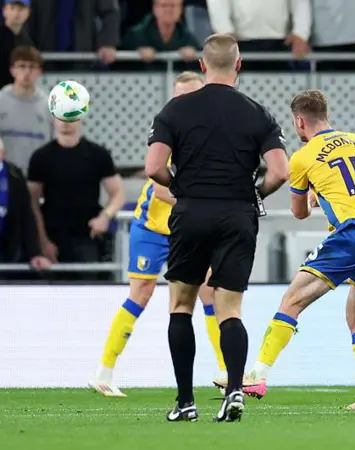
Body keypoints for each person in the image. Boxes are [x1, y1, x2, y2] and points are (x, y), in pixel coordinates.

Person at [143, 34, 290, 422]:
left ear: (203, 66)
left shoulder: (175, 110)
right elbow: (280, 172)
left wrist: (182, 186)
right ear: (238, 65)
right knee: (230, 310)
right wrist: (256, 192)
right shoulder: (258, 113)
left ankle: (185, 401)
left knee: (181, 305)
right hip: (238, 215)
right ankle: (235, 391)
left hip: (190, 213)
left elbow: (153, 167)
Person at [236, 90, 355, 410]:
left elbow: (299, 214)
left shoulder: (304, 157)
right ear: (326, 114)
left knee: (291, 300)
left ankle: (257, 374)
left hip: (351, 234)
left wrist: (311, 195)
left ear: (299, 121)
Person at [88, 72, 228, 398]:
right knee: (141, 293)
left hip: (188, 229)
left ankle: (224, 373)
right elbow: (160, 190)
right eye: (180, 96)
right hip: (153, 228)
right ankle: (104, 372)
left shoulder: (212, 134)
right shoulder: (167, 130)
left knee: (210, 291)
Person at [27, 119, 125, 281]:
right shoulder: (41, 157)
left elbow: (118, 193)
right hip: (53, 236)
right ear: (53, 120)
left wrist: (105, 217)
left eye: (71, 117)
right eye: (62, 117)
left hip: (87, 235)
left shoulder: (97, 154)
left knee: (89, 290)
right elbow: (32, 202)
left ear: (82, 119)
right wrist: (42, 241)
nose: (66, 123)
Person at [0, 136, 50, 278]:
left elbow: (26, 217)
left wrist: (35, 253)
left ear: (3, 154)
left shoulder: (14, 175)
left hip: (8, 248)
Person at [0, 45, 50, 174]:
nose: (27, 72)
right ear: (12, 70)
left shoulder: (48, 105)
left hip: (36, 177)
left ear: (39, 72)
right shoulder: (1, 100)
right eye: (22, 66)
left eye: (32, 67)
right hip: (5, 177)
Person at [0, 0, 34, 89]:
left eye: (21, 9)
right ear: (4, 11)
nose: (16, 13)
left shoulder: (27, 42)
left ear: (28, 13)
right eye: (12, 8)